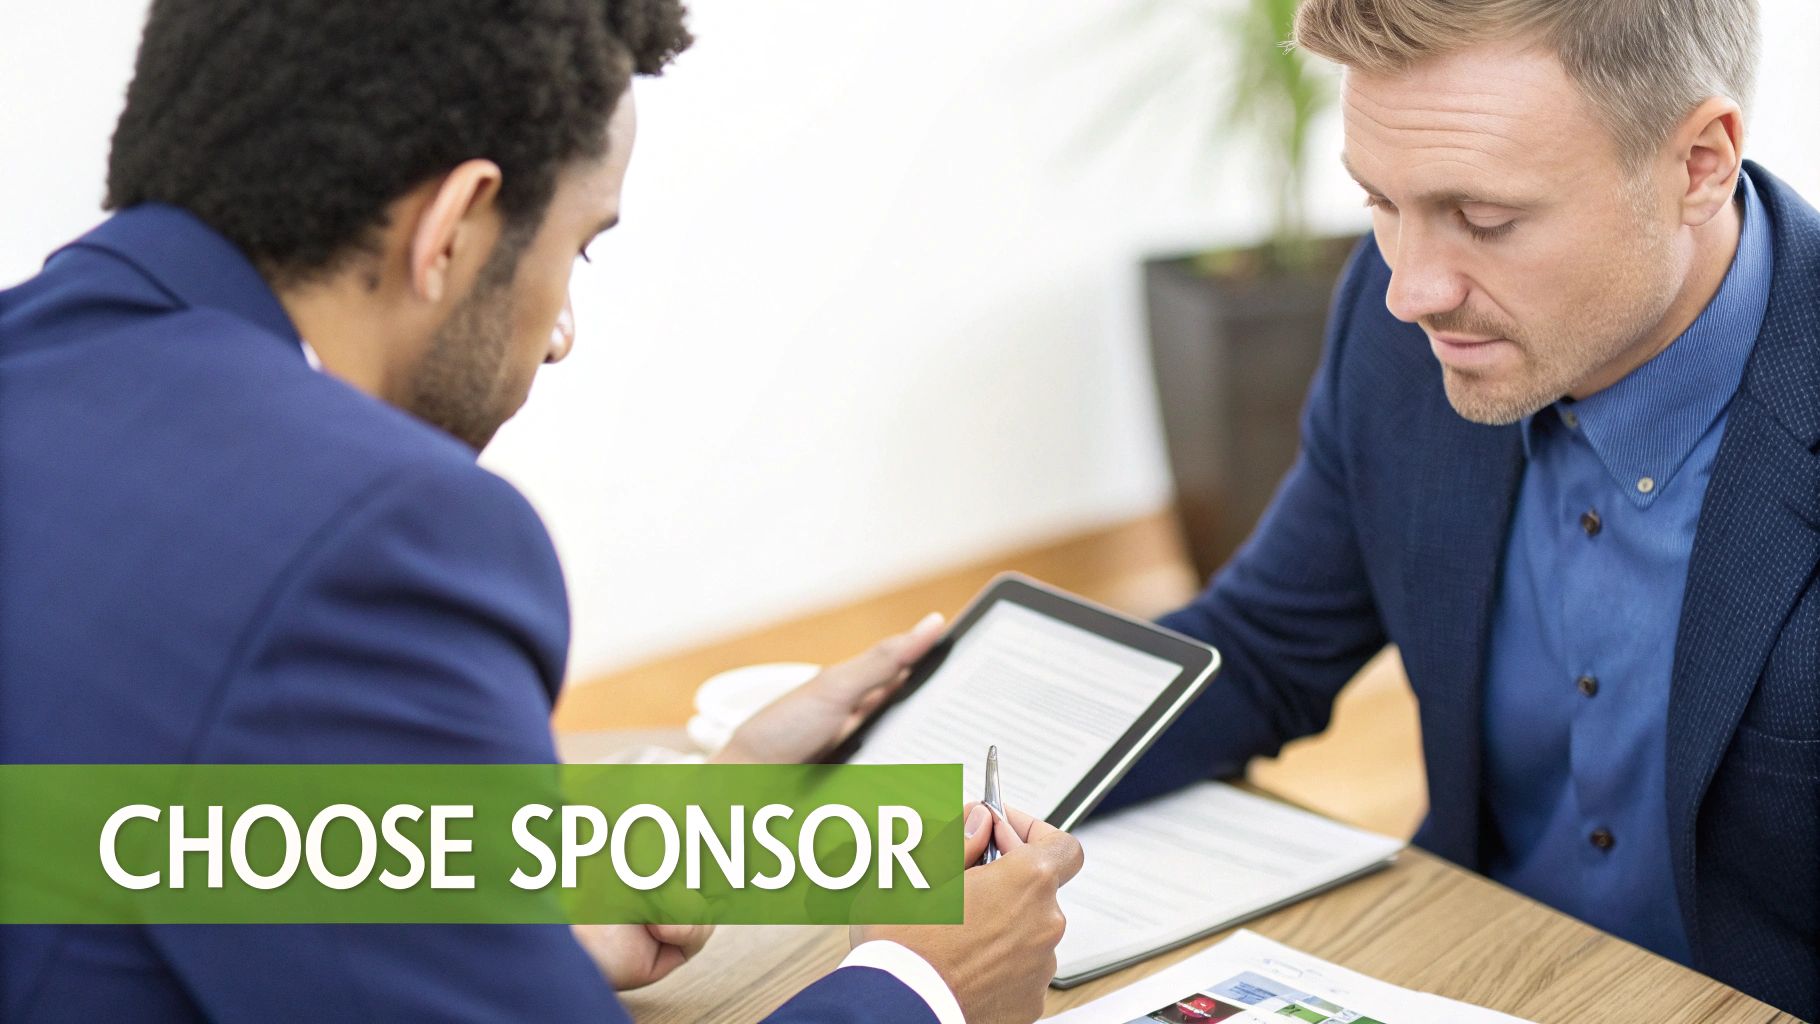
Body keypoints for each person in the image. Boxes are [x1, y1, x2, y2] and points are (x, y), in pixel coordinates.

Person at [0, 1, 1082, 1021]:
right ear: (454, 226)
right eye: (579, 248)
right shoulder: (360, 533)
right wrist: (923, 985)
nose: (561, 333)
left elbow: (145, 838)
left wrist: (707, 823)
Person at [1100, 0, 1818, 1017]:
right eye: (1379, 203)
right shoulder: (1402, 316)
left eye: (1484, 219)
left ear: (1698, 164)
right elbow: (1259, 646)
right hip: (1460, 971)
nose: (1412, 289)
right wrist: (888, 812)